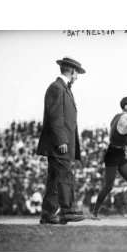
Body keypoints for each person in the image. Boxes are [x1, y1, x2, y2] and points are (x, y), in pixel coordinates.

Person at [37, 57, 86, 224]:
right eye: (77, 73)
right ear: (71, 71)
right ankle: (67, 211)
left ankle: (48, 214)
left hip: (60, 142)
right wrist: (62, 141)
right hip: (60, 144)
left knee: (54, 179)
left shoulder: (62, 88)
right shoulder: (57, 88)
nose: (77, 76)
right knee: (64, 175)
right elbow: (55, 117)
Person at [91, 96, 127, 219]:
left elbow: (119, 136)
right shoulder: (126, 117)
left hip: (119, 153)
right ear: (126, 106)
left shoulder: (117, 117)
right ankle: (94, 212)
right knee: (109, 186)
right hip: (113, 154)